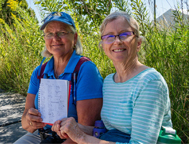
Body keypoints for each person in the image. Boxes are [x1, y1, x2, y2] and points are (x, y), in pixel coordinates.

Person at [51, 11, 172, 144]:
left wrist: (81, 137)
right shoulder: (109, 81)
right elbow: (105, 132)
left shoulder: (150, 82)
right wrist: (72, 127)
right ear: (103, 46)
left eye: (124, 34)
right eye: (109, 36)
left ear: (138, 43)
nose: (117, 41)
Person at [14, 11, 103, 144]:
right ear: (45, 38)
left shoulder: (85, 69)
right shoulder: (40, 72)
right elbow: (25, 124)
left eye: (62, 32)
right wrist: (31, 120)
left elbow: (85, 131)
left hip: (74, 139)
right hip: (42, 136)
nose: (55, 38)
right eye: (49, 34)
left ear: (75, 38)